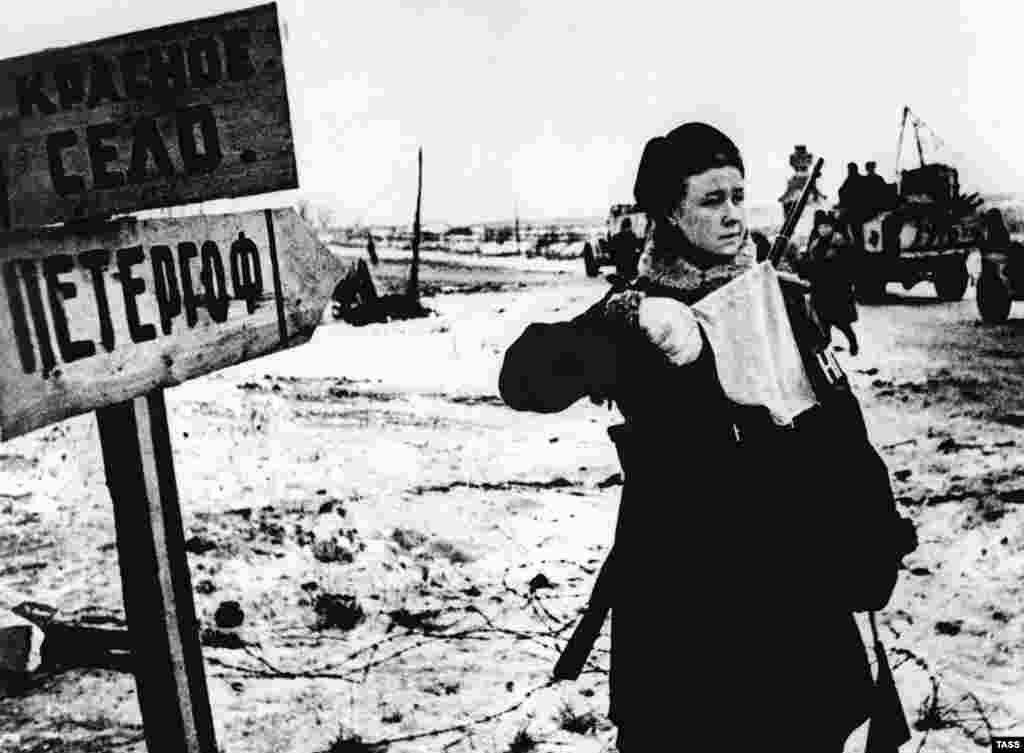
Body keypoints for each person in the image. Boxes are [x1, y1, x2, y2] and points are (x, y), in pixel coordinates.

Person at [499, 122, 914, 751]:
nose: (732, 216)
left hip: (797, 623)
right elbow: (523, 378)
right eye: (710, 200)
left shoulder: (779, 302)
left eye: (738, 196)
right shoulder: (642, 315)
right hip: (687, 627)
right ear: (669, 212)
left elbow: (841, 438)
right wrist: (630, 314)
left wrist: (871, 538)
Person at [807, 214, 860, 356]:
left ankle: (852, 341)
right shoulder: (815, 244)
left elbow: (848, 265)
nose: (823, 230)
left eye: (827, 226)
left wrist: (848, 283)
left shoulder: (840, 243)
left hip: (837, 287)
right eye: (821, 227)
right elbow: (811, 264)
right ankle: (826, 340)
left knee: (840, 321)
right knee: (822, 318)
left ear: (832, 227)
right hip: (820, 286)